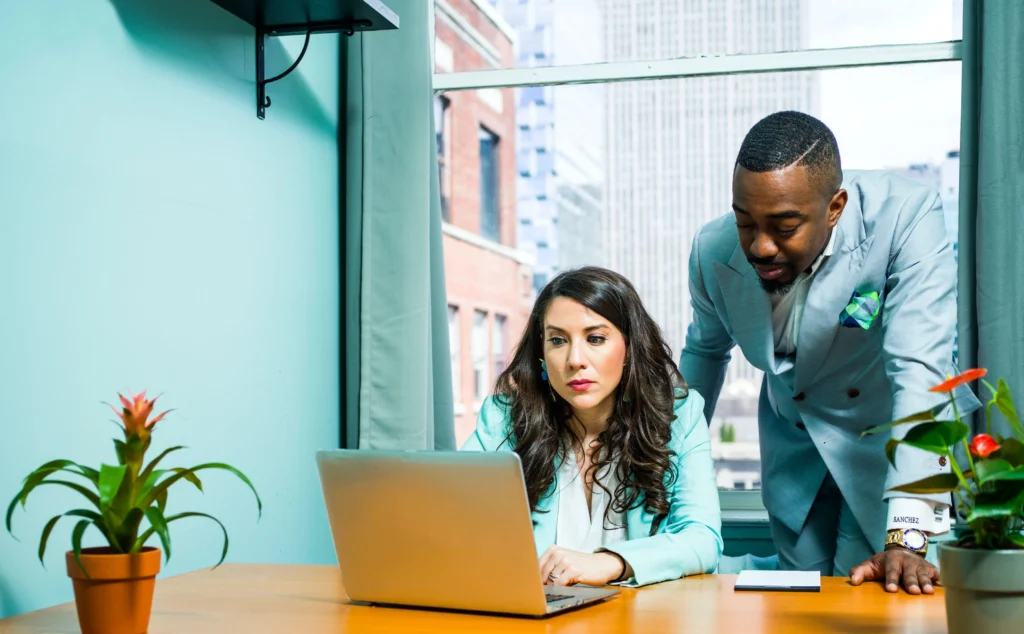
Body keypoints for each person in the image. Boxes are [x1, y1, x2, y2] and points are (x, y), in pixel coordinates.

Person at [680, 111, 979, 593]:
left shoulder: (906, 215)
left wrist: (907, 534)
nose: (760, 245)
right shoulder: (710, 250)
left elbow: (920, 371)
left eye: (783, 226)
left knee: (897, 605)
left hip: (895, 447)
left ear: (835, 207)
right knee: (802, 609)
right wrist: (659, 467)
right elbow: (704, 356)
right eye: (744, 221)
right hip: (795, 451)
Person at [462, 266, 722, 587]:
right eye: (558, 340)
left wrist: (613, 562)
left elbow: (702, 538)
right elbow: (451, 519)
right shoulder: (504, 420)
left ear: (630, 347)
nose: (575, 359)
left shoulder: (679, 415)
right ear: (541, 355)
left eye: (595, 338)